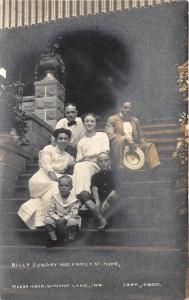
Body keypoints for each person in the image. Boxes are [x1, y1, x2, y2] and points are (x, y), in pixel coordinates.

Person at [18, 128, 75, 229]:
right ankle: (49, 219)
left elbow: (74, 163)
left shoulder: (68, 156)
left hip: (56, 178)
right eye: (60, 138)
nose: (63, 141)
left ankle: (48, 220)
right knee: (56, 187)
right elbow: (46, 165)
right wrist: (55, 178)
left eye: (65, 139)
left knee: (69, 181)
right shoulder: (48, 149)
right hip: (42, 178)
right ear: (56, 140)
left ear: (68, 140)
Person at [106, 101, 161, 170]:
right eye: (125, 108)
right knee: (119, 141)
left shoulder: (135, 120)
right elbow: (110, 135)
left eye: (130, 108)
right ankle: (120, 167)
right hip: (121, 146)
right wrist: (125, 139)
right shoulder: (112, 119)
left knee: (150, 146)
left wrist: (142, 142)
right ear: (120, 108)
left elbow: (140, 137)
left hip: (134, 145)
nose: (128, 110)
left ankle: (155, 168)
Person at [78, 152, 119, 231]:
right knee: (83, 194)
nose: (103, 163)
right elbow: (94, 188)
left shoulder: (115, 174)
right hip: (99, 202)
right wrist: (97, 202)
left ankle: (101, 216)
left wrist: (106, 202)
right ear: (97, 163)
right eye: (100, 161)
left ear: (109, 162)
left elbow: (115, 190)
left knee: (115, 195)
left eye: (105, 160)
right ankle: (102, 219)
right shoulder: (95, 176)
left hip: (111, 201)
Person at [72, 113, 110, 195]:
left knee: (84, 166)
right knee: (78, 166)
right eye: (87, 121)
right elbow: (78, 160)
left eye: (92, 121)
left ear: (96, 124)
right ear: (84, 123)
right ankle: (80, 195)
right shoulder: (81, 142)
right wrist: (83, 160)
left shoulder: (102, 136)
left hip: (99, 165)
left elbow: (105, 153)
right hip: (85, 166)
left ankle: (85, 195)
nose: (89, 123)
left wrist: (90, 157)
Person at [45, 175, 81, 243]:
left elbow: (74, 213)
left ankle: (71, 236)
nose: (63, 188)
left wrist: (64, 219)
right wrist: (57, 218)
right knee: (47, 219)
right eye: (61, 186)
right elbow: (50, 211)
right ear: (58, 187)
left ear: (71, 187)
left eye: (66, 186)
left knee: (73, 221)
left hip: (68, 219)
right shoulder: (54, 198)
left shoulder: (74, 200)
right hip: (57, 219)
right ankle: (53, 238)